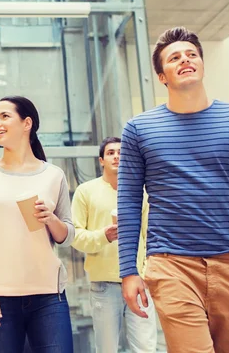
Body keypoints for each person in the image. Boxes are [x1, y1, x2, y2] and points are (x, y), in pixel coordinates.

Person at [118, 27, 229, 353]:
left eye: (191, 54)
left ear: (202, 64)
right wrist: (128, 271)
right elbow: (130, 203)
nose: (185, 60)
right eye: (174, 57)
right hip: (170, 266)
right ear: (162, 76)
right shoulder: (139, 129)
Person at [0, 95, 76, 353]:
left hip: (49, 296)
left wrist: (51, 219)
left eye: (4, 116)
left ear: (27, 124)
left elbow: (67, 235)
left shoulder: (53, 175)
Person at [71, 136, 156, 353]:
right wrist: (103, 236)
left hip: (140, 283)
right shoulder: (85, 192)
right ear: (101, 160)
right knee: (107, 349)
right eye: (110, 152)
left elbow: (151, 237)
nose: (117, 156)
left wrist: (146, 274)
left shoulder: (142, 192)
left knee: (146, 348)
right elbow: (75, 237)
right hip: (104, 286)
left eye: (121, 152)